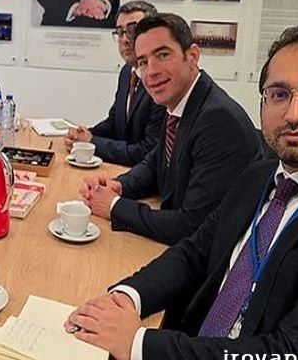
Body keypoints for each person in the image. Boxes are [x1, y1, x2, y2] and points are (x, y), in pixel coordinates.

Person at [67, 25, 298, 360]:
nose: (294, 114)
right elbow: (194, 252)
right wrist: (127, 297)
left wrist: (138, 344)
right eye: (279, 94)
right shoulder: (259, 177)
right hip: (194, 355)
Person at [79, 13, 262, 245]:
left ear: (192, 56)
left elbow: (190, 226)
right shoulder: (180, 101)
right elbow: (156, 163)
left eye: (162, 55)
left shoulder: (219, 120)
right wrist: (119, 186)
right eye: (143, 62)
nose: (151, 71)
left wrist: (113, 206)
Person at [64, 1, 165, 166]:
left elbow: (147, 151)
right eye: (120, 32)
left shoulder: (161, 80)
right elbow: (114, 123)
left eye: (132, 30)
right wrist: (82, 136)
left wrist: (92, 142)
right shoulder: (127, 72)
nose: (124, 39)